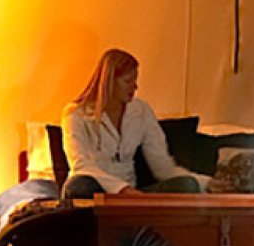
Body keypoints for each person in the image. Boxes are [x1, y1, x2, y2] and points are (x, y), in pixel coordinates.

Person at [61, 49, 207, 199]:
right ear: (109, 82)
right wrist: (121, 189)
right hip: (96, 191)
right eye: (128, 81)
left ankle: (134, 206)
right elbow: (80, 164)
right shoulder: (76, 114)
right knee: (79, 186)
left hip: (133, 195)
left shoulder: (141, 111)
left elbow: (162, 166)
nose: (135, 86)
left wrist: (206, 183)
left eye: (135, 80)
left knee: (187, 185)